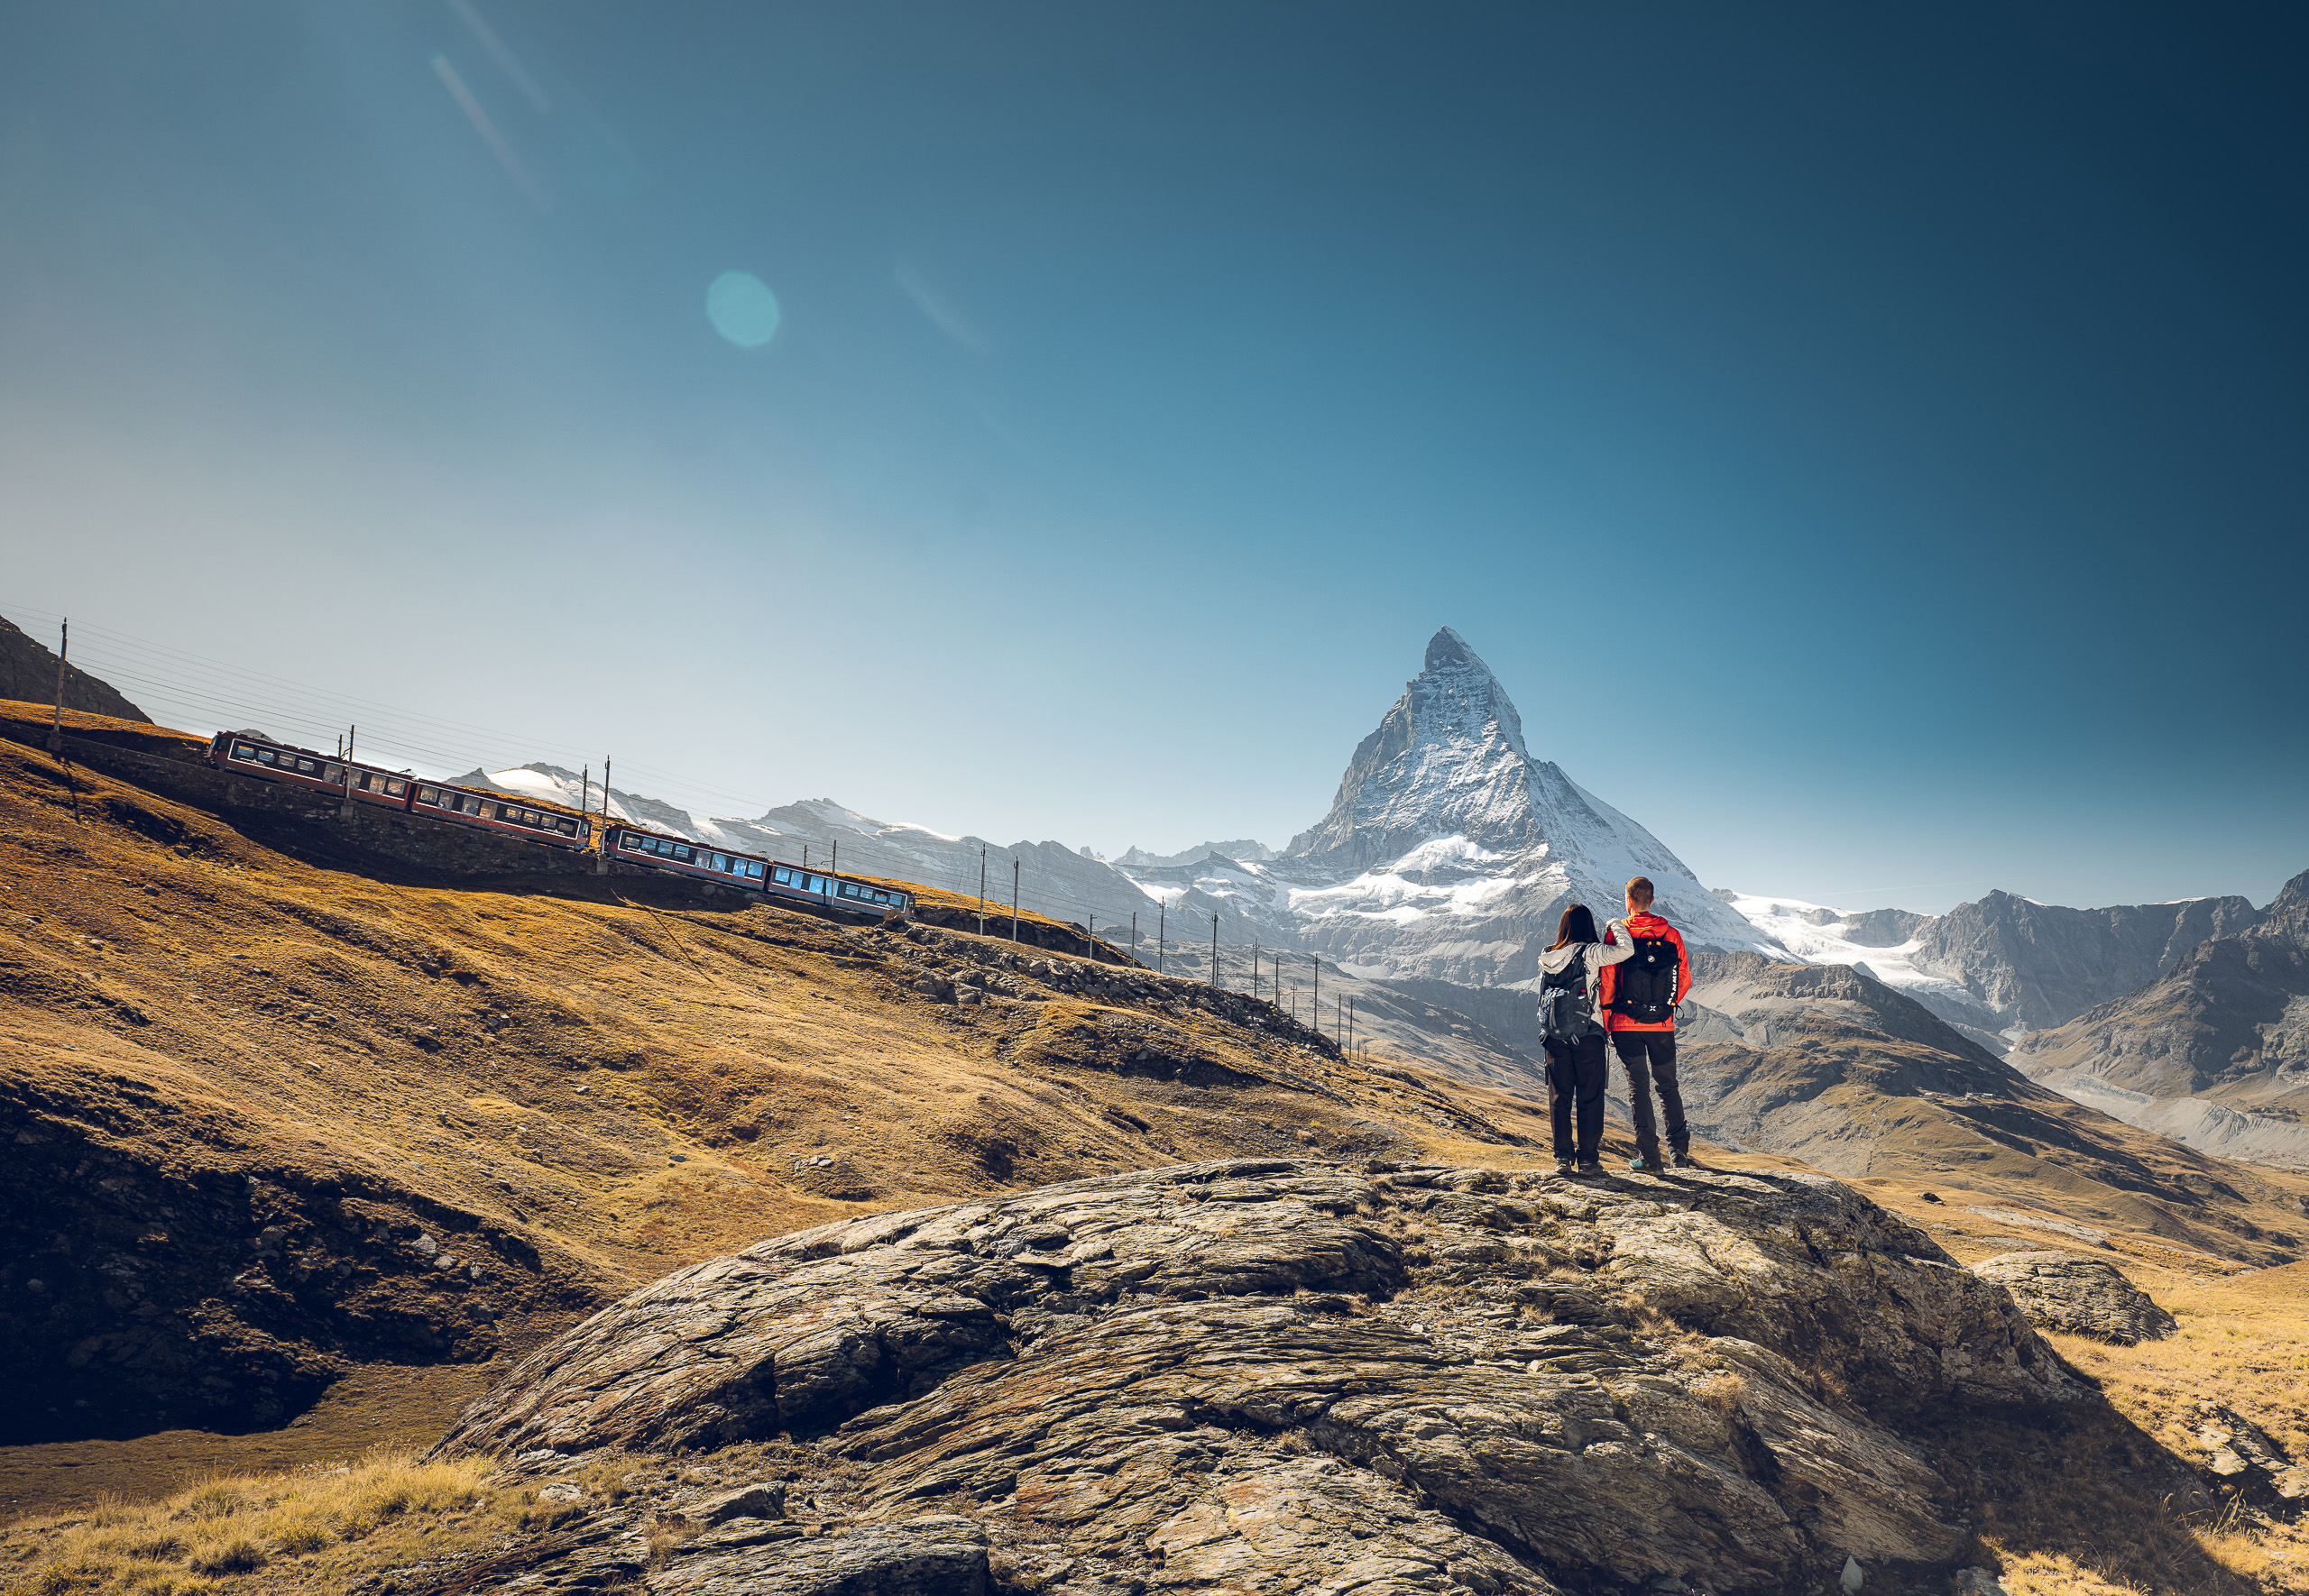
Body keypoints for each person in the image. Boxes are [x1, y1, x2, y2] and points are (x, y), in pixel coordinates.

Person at [1596, 875, 1695, 1171]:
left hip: (1626, 1026)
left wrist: (1607, 1020)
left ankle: (1650, 1158)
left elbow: (1608, 980)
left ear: (1628, 902)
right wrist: (1665, 1006)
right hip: (1662, 1027)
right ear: (1652, 901)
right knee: (1668, 1086)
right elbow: (1684, 979)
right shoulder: (1672, 935)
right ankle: (1679, 1154)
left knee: (1638, 1088)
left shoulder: (1620, 935)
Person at [1536, 902, 1634, 1176]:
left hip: (1554, 1036)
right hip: (1588, 1035)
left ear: (1563, 927)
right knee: (1590, 1097)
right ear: (1587, 925)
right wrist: (1616, 923)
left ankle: (1562, 1159)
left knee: (1559, 1097)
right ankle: (1589, 1159)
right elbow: (1627, 950)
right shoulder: (1590, 952)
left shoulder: (1547, 955)